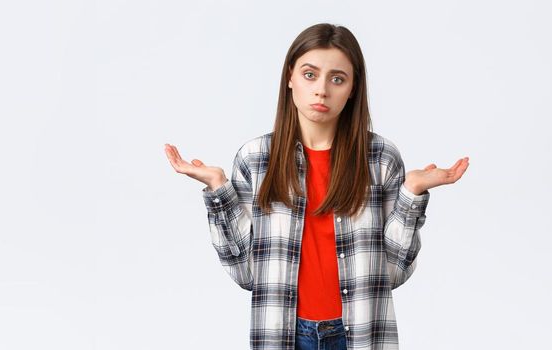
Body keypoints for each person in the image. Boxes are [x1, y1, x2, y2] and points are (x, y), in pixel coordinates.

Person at [163, 23, 469, 350]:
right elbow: (248, 276)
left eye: (337, 79)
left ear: (352, 88)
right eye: (310, 75)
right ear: (290, 77)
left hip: (360, 336)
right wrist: (218, 190)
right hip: (284, 336)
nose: (322, 89)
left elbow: (392, 274)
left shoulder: (380, 159)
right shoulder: (256, 159)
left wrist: (413, 193)